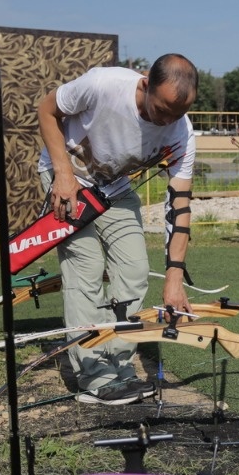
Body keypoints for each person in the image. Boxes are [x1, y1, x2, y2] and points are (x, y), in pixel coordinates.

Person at [36, 53, 199, 404]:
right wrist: (62, 174)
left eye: (177, 114)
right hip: (67, 176)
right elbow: (47, 110)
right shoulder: (103, 85)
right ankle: (94, 375)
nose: (167, 121)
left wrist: (174, 278)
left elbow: (180, 206)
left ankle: (119, 363)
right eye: (162, 110)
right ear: (145, 84)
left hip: (114, 188)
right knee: (86, 267)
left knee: (135, 269)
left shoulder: (181, 133)